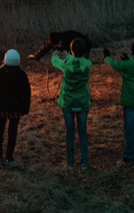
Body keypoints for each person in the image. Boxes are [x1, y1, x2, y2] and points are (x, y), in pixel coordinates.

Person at [103, 38, 134, 164]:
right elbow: (133, 66)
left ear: (131, 52)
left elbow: (116, 65)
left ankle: (129, 155)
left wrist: (107, 57)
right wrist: (128, 61)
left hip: (130, 102)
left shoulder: (127, 66)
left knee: (129, 130)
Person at [52, 38, 92, 169]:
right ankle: (84, 162)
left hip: (68, 103)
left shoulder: (65, 65)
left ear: (71, 50)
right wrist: (70, 57)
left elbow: (55, 61)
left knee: (70, 133)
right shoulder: (87, 64)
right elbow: (78, 62)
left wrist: (56, 55)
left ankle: (70, 163)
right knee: (83, 133)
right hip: (82, 102)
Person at [0, 49, 32, 164]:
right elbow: (27, 93)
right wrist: (25, 108)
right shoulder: (22, 74)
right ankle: (9, 157)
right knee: (12, 132)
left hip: (1, 107)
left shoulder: (0, 73)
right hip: (16, 108)